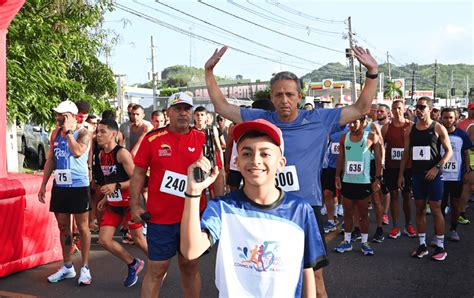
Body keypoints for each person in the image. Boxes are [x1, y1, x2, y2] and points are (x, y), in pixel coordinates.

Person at [205, 45, 378, 297]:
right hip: (263, 211)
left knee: (314, 281)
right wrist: (209, 72)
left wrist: (372, 72)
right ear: (272, 97)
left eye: (289, 94)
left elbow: (361, 108)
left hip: (305, 208)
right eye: (278, 95)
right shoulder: (260, 119)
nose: (284, 100)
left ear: (299, 96)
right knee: (263, 274)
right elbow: (222, 107)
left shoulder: (320, 119)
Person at [181, 119, 325, 297]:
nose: (255, 161)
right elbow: (190, 250)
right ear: (237, 162)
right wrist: (193, 192)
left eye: (265, 154)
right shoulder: (222, 208)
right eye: (247, 154)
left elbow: (307, 268)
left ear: (281, 163)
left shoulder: (300, 209)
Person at [129, 92, 207, 297]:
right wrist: (135, 205)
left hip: (192, 218)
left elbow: (214, 173)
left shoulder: (201, 138)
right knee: (157, 269)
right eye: (178, 109)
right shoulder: (152, 139)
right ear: (168, 113)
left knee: (190, 267)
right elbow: (138, 173)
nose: (183, 113)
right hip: (161, 218)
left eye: (187, 109)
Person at [38, 100, 92, 285]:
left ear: (70, 116)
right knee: (63, 226)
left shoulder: (83, 132)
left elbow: (77, 152)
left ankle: (85, 267)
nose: (58, 118)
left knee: (82, 227)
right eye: (58, 115)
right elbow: (51, 160)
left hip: (78, 185)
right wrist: (43, 184)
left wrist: (69, 132)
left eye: (61, 115)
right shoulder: (55, 133)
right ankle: (67, 266)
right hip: (61, 186)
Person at [398, 97, 453, 261]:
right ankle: (422, 245)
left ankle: (441, 246)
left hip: (433, 175)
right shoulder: (410, 130)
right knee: (420, 208)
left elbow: (449, 151)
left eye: (422, 107)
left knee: (436, 209)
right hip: (417, 175)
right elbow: (406, 153)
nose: (419, 110)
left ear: (430, 109)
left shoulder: (438, 127)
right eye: (417, 107)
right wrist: (401, 174)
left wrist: (437, 167)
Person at [334, 116, 382, 256]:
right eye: (350, 122)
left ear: (363, 123)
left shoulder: (371, 137)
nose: (352, 125)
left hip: (364, 181)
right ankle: (347, 241)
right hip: (348, 181)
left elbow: (378, 158)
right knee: (348, 212)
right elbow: (341, 158)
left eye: (355, 122)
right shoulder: (344, 138)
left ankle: (364, 242)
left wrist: (378, 178)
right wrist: (337, 176)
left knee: (363, 214)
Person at [381, 100, 417, 239]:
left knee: (407, 196)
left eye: (399, 108)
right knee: (394, 196)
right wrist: (382, 162)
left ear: (404, 109)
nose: (397, 111)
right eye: (394, 108)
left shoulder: (411, 126)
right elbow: (380, 146)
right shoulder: (386, 128)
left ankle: (408, 225)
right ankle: (396, 226)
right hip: (391, 167)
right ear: (391, 111)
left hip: (408, 167)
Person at [439, 108, 472, 241]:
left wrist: (466, 171)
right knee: (439, 205)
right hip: (440, 176)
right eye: (446, 117)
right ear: (441, 118)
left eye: (451, 117)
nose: (448, 120)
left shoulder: (462, 135)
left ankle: (453, 229)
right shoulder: (437, 133)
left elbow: (466, 153)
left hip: (456, 176)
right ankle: (438, 232)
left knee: (455, 203)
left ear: (456, 119)